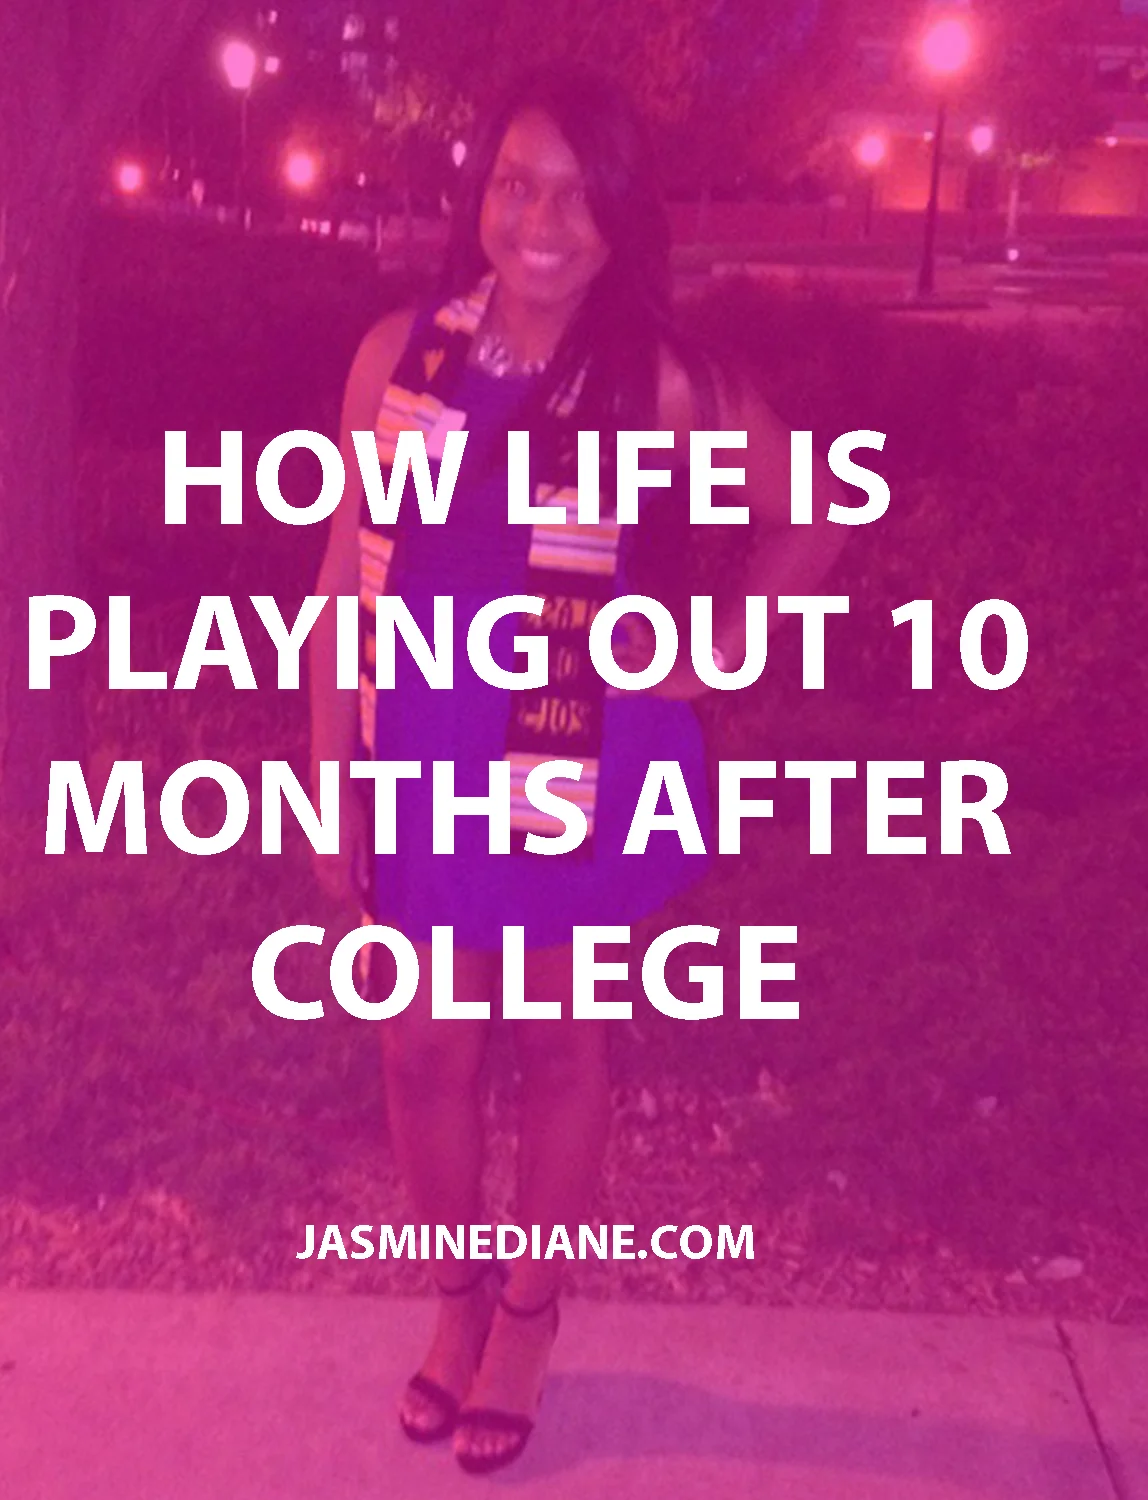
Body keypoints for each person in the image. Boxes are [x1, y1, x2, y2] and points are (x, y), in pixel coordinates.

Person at [308, 65, 847, 1474]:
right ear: (478, 197)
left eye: (574, 193)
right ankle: (456, 1299)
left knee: (559, 1040)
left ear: (620, 214)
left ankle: (529, 1316)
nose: (540, 221)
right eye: (514, 184)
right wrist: (328, 774)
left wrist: (715, 650)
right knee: (422, 1046)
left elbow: (815, 514)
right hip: (423, 755)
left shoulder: (659, 379)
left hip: (580, 760)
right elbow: (343, 575)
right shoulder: (396, 358)